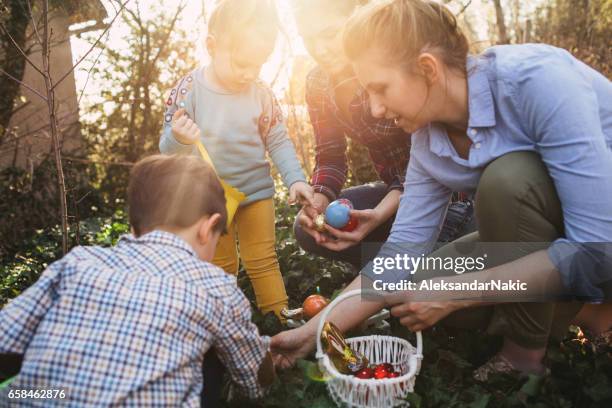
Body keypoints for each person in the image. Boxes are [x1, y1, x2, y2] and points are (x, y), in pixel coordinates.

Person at [272, 0, 612, 381]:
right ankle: (582, 308)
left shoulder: (537, 81)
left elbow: (596, 247)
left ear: (427, 68)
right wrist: (312, 334)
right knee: (416, 286)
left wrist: (457, 292)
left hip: (601, 237)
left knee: (507, 181)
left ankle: (527, 350)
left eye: (380, 89)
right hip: (560, 237)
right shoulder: (427, 140)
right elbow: (399, 256)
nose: (374, 109)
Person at [0, 155, 275, 405]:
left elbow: (5, 340)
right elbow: (254, 381)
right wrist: (267, 359)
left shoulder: (79, 261)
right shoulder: (215, 286)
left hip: (39, 396)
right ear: (207, 228)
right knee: (212, 350)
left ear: (133, 227)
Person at [291, 0, 474, 269]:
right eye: (308, 39)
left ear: (355, 19)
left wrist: (378, 215)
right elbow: (330, 156)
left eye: (329, 35)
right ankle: (389, 267)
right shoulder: (318, 84)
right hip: (396, 191)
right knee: (302, 229)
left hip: (442, 190)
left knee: (426, 271)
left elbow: (429, 161)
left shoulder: (393, 70)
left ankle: (419, 259)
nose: (319, 50)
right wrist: (318, 202)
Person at [159, 0, 314, 317]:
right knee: (220, 264)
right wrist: (179, 136)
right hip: (211, 199)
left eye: (258, 64)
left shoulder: (262, 93)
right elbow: (167, 150)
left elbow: (278, 139)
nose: (249, 73)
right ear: (212, 46)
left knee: (263, 259)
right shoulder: (189, 90)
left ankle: (278, 321)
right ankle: (223, 328)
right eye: (242, 63)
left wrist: (296, 179)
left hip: (257, 193)